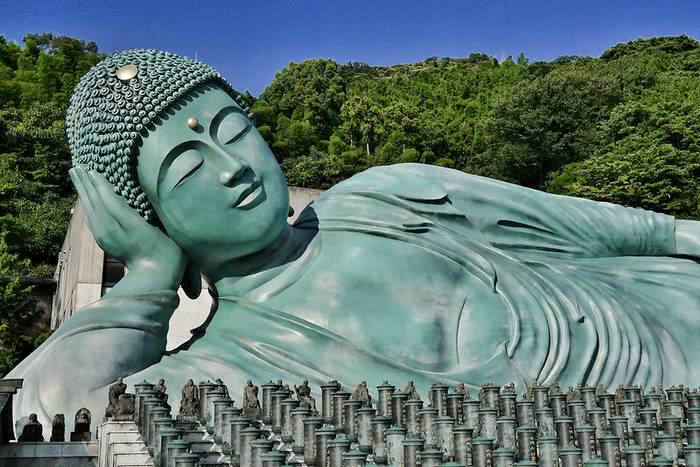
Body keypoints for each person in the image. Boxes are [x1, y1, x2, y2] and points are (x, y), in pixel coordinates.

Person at [8, 49, 700, 429]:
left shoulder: (384, 194)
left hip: (662, 309)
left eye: (235, 131)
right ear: (147, 216)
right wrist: (152, 279)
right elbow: (57, 417)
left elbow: (594, 226)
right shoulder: (215, 371)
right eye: (186, 171)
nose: (232, 168)